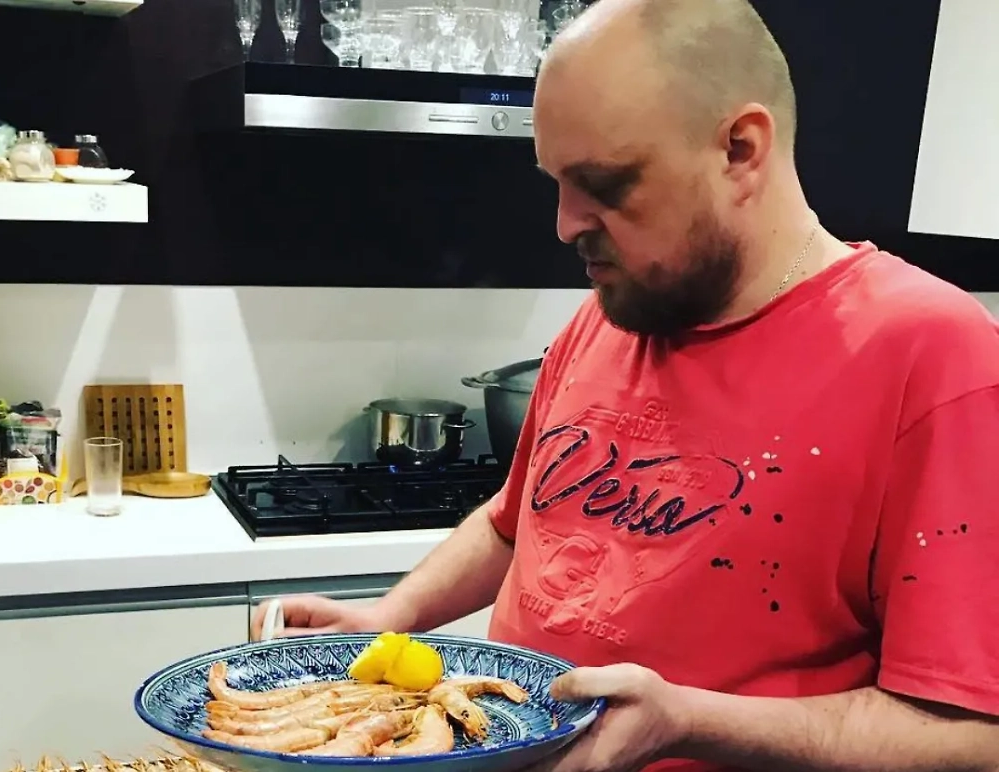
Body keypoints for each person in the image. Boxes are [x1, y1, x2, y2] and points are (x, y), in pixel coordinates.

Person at [252, 0, 999, 769]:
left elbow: (972, 733)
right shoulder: (616, 312)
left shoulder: (932, 356)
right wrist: (392, 615)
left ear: (740, 149)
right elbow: (514, 524)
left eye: (604, 184)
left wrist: (688, 721)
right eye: (556, 183)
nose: (565, 224)